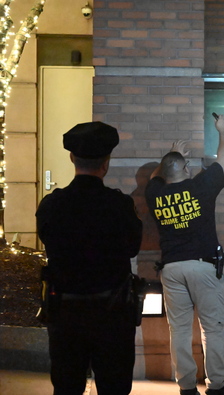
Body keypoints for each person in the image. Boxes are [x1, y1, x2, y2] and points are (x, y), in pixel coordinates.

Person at [36, 121, 143, 395]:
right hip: (113, 313)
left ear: (72, 157)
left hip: (65, 313)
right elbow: (133, 247)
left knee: (67, 386)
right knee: (114, 386)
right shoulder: (119, 206)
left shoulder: (52, 205)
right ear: (106, 163)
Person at [144, 114, 224, 395]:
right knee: (212, 329)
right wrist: (222, 131)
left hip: (171, 269)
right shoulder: (200, 187)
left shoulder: (155, 193)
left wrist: (171, 158)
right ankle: (217, 385)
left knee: (180, 331)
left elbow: (154, 177)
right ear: (185, 168)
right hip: (203, 267)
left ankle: (186, 387)